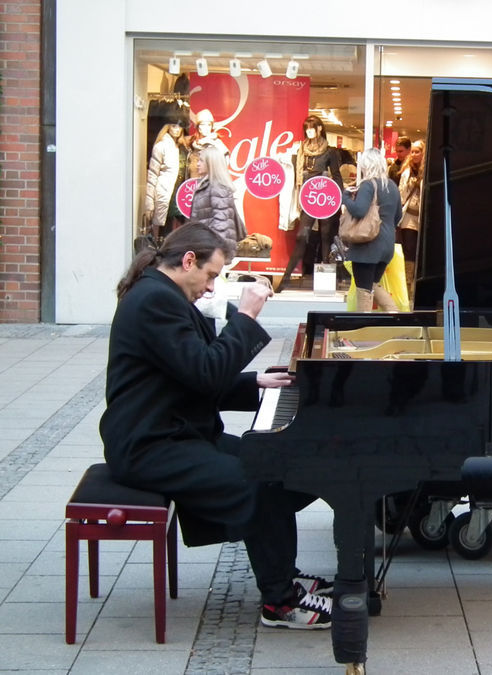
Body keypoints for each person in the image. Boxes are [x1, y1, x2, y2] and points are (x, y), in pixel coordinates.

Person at [99, 224, 333, 630]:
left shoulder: (162, 294)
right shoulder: (155, 300)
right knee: (258, 482)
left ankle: (283, 573)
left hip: (173, 432)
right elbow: (205, 372)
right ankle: (279, 602)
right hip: (148, 446)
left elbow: (188, 374)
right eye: (210, 275)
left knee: (277, 465)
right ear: (188, 260)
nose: (210, 287)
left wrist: (254, 383)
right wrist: (245, 316)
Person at [275, 115, 343, 293]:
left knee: (326, 237)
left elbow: (336, 176)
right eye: (307, 128)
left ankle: (328, 282)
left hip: (324, 196)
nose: (309, 131)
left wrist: (340, 199)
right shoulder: (301, 150)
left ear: (320, 128)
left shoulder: (329, 151)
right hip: (308, 197)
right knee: (301, 236)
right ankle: (286, 278)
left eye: (312, 128)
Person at [342, 148, 403, 311]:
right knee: (372, 284)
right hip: (387, 244)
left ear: (366, 165)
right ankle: (395, 314)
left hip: (367, 245)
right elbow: (398, 216)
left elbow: (359, 210)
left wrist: (346, 198)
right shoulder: (392, 186)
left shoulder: (368, 185)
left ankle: (363, 324)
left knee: (364, 289)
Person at [187, 146, 246, 252]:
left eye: (201, 160)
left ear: (211, 163)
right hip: (205, 246)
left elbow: (221, 224)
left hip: (211, 249)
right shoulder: (208, 185)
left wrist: (215, 253)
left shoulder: (217, 187)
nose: (197, 164)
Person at [144, 122, 188, 240]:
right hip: (166, 190)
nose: (177, 130)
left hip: (182, 192)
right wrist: (149, 203)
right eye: (173, 126)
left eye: (179, 126)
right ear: (167, 127)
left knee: (183, 229)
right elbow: (153, 174)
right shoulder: (161, 146)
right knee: (165, 229)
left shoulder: (183, 147)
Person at [397, 139, 425, 301]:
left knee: (419, 251)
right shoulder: (406, 170)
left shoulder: (426, 171)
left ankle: (417, 283)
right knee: (409, 249)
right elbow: (402, 192)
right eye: (412, 151)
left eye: (417, 151)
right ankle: (407, 285)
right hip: (408, 215)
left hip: (422, 216)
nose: (414, 154)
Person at [186, 109, 230, 179]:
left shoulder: (216, 143)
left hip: (210, 184)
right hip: (193, 184)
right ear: (198, 127)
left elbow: (225, 162)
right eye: (203, 124)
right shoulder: (192, 143)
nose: (206, 128)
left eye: (209, 125)